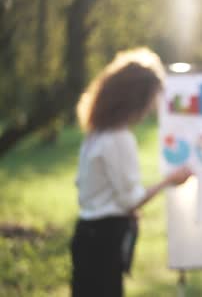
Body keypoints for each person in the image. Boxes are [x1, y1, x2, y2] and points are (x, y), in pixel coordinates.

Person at [70, 48, 192, 297]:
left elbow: (85, 185)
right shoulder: (118, 138)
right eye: (149, 100)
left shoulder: (97, 133)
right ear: (134, 98)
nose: (149, 108)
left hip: (87, 234)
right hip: (104, 239)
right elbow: (129, 200)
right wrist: (169, 180)